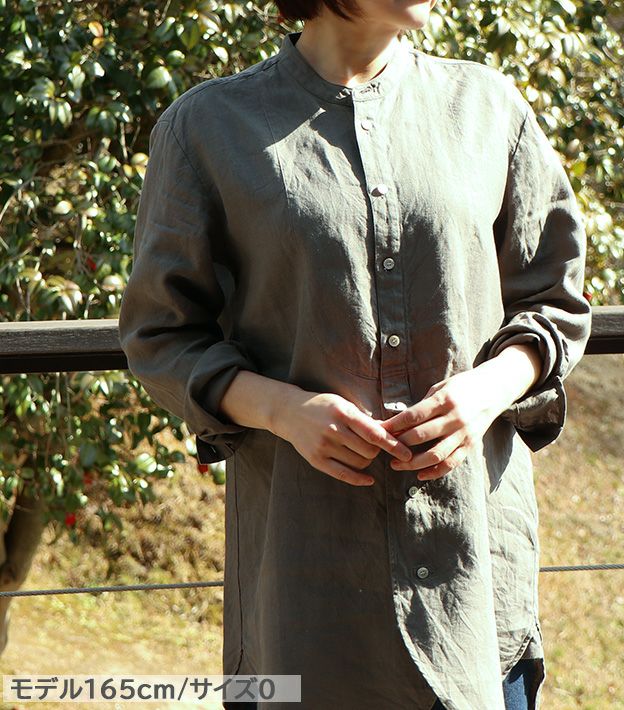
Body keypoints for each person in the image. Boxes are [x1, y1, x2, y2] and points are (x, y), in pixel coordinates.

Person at [118, 0, 593, 708]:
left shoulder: (487, 108)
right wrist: (282, 409)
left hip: (473, 589)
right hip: (305, 592)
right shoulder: (207, 128)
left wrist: (486, 392)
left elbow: (556, 300)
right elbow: (160, 334)